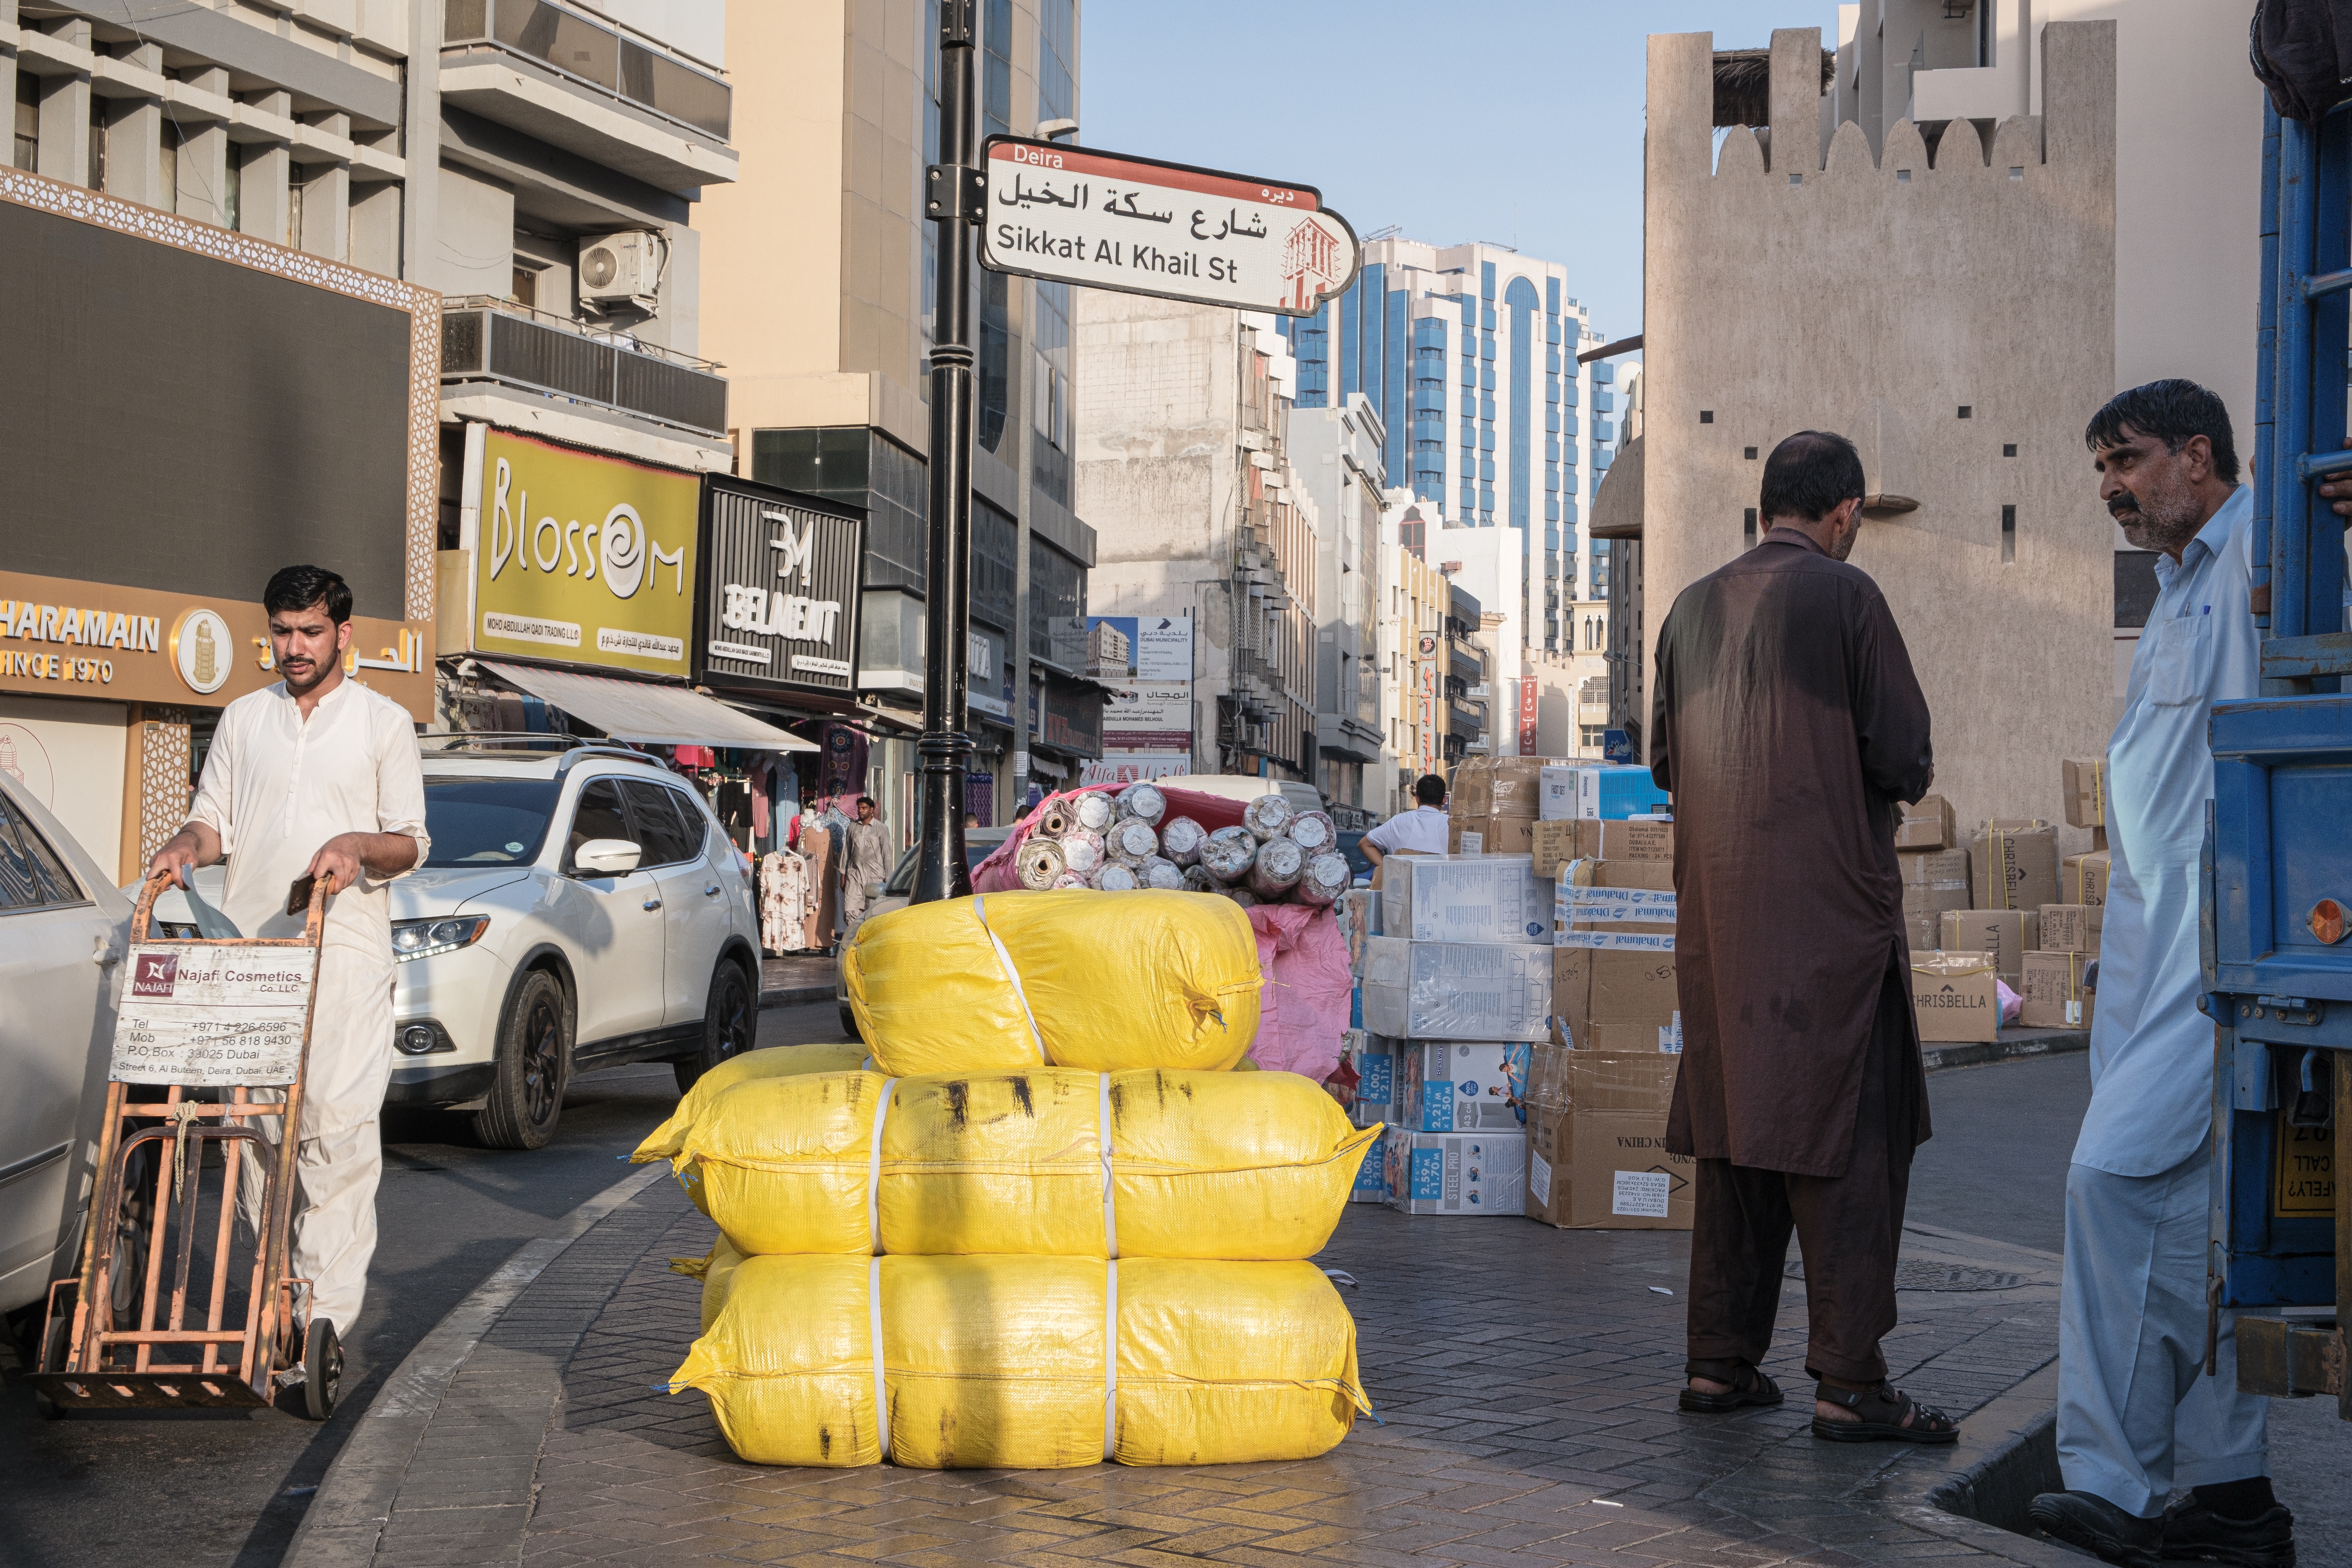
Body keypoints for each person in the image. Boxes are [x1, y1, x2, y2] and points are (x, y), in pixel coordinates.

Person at [2027, 382, 2289, 1568]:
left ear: (2198, 454)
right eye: (2100, 467)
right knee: (2203, 1227)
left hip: (2217, 954)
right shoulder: (2180, 586)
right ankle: (2236, 1501)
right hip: (2148, 958)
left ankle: (2113, 1483)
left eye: (2125, 461)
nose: (2110, 489)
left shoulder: (2265, 554)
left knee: (2108, 1181)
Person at [1653, 431, 1956, 1444]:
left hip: (1720, 931)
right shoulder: (1846, 595)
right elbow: (1905, 756)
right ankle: (1850, 1382)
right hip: (1831, 928)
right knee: (1849, 1151)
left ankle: (1717, 1365)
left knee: (1739, 1148)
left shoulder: (1689, 610)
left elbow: (1666, 764)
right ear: (1845, 513)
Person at [146, 565, 428, 1377]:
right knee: (259, 1134)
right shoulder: (243, 717)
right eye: (282, 632)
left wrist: (354, 846)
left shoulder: (383, 723)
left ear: (345, 633)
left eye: (310, 632)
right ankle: (273, 1297)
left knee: (335, 1132)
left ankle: (318, 1324)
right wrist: (183, 847)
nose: (294, 648)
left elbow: (411, 841)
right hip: (253, 956)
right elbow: (217, 820)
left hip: (343, 949)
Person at [1360, 774, 1448, 871]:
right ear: (1444, 800)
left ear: (1417, 799)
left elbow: (1365, 844)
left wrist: (1389, 870)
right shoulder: (1452, 825)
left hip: (1404, 885)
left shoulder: (1399, 821)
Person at [839, 794, 893, 939]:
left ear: (872, 810)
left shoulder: (882, 829)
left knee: (872, 911)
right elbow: (847, 852)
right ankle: (853, 941)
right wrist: (843, 876)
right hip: (854, 875)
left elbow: (887, 855)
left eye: (864, 808)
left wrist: (889, 881)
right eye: (859, 808)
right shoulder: (852, 828)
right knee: (850, 910)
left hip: (874, 877)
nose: (861, 811)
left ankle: (868, 941)